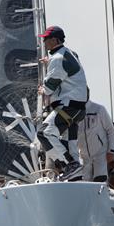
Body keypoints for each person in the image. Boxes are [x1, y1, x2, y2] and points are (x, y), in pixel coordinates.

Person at [36, 25, 88, 181]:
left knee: (44, 133)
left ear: (55, 40)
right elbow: (68, 66)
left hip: (69, 107)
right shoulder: (69, 53)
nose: (44, 42)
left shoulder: (58, 59)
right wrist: (49, 62)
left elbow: (49, 88)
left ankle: (68, 166)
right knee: (69, 145)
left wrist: (42, 90)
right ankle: (75, 179)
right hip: (78, 109)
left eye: (46, 39)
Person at [78, 100, 114, 182]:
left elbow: (111, 130)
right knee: (84, 182)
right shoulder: (73, 111)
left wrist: (111, 151)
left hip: (100, 153)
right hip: (84, 156)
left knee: (100, 180)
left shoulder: (99, 109)